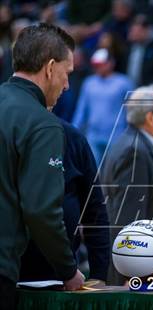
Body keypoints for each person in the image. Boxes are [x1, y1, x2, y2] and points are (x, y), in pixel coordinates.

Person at [0, 23, 85, 308]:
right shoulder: (42, 124)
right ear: (50, 68)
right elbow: (41, 210)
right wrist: (68, 269)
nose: (67, 85)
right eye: (67, 73)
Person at [20, 119, 110, 284]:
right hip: (11, 274)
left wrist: (99, 274)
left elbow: (95, 210)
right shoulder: (10, 133)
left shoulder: (73, 138)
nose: (66, 90)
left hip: (62, 280)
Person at [101, 85, 153, 285]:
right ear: (150, 117)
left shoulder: (130, 143)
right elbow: (128, 216)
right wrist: (130, 271)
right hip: (140, 269)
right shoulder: (134, 152)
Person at [72, 48, 134, 164]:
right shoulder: (89, 83)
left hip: (117, 134)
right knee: (93, 169)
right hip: (93, 134)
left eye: (101, 64)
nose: (98, 68)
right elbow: (82, 109)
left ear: (111, 63)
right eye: (96, 65)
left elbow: (131, 109)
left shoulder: (123, 83)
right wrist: (74, 128)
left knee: (115, 168)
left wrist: (131, 132)